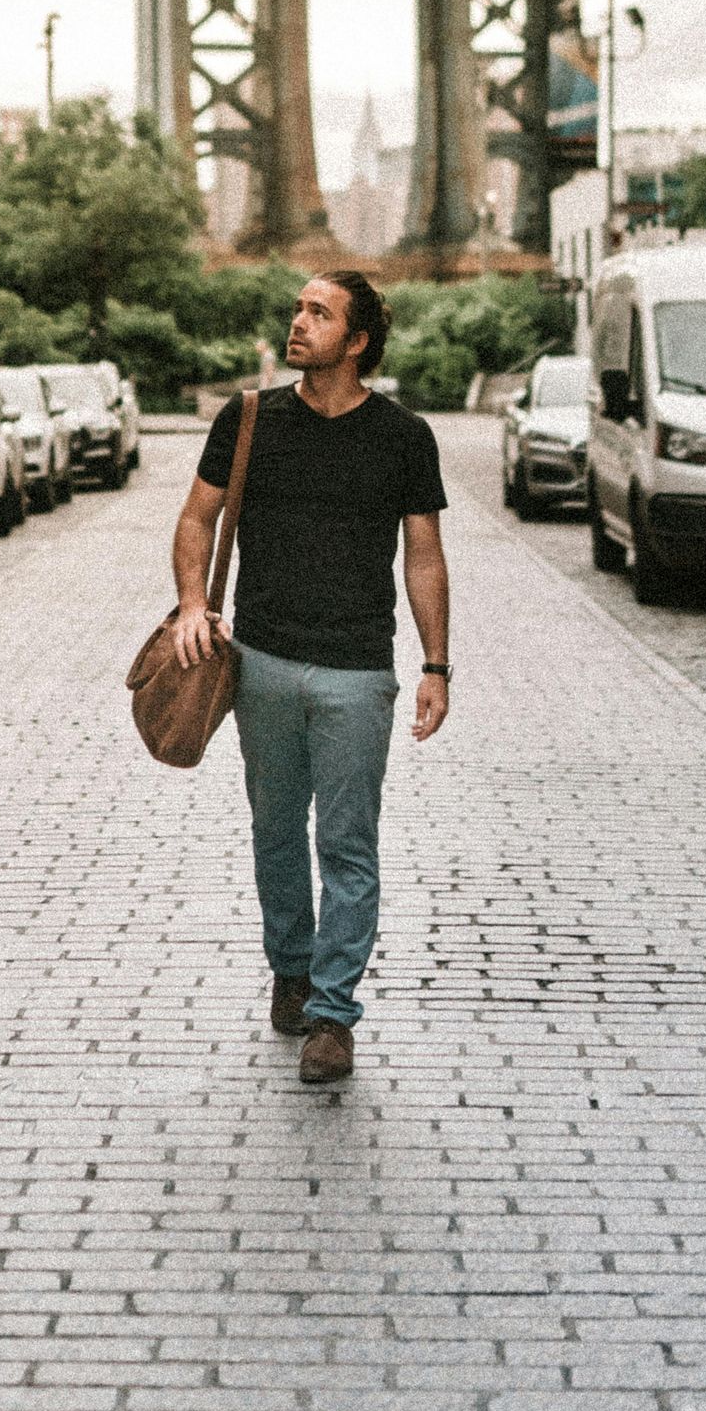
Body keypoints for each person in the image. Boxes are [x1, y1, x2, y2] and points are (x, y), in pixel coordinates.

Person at [170, 271, 450, 1087]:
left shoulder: (403, 436)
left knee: (348, 844)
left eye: (319, 313)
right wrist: (193, 605)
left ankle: (332, 1014)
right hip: (262, 662)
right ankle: (291, 968)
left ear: (357, 341)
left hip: (359, 671)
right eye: (297, 307)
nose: (298, 322)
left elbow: (423, 555)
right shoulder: (251, 418)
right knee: (275, 834)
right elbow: (197, 516)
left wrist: (435, 665)